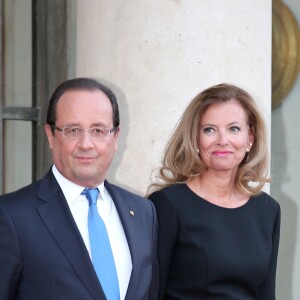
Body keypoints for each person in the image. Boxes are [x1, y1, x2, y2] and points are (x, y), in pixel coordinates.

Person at [0, 77, 158, 300]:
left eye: (98, 130)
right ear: (50, 135)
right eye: (73, 130)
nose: (86, 143)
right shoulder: (11, 216)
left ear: (115, 138)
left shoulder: (143, 212)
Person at [148, 83, 280, 299]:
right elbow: (152, 291)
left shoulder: (268, 210)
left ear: (250, 139)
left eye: (233, 129)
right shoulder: (168, 204)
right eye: (209, 129)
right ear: (196, 139)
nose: (222, 140)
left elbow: (267, 294)